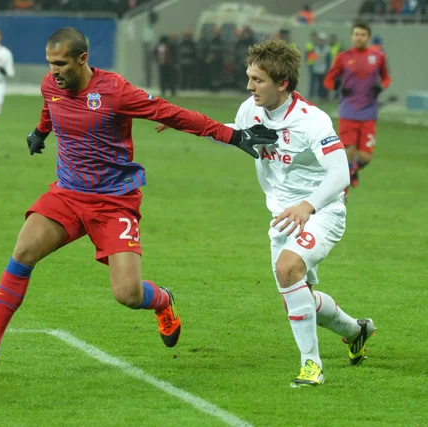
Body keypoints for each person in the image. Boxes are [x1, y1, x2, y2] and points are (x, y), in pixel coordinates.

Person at [0, 27, 278, 373]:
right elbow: (50, 108)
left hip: (114, 201)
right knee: (23, 252)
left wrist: (232, 135)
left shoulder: (115, 91)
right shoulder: (51, 85)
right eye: (50, 64)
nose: (54, 71)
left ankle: (163, 300)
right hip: (67, 194)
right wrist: (40, 132)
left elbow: (170, 113)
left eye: (61, 64)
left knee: (127, 294)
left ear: (82, 59)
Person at [156, 38, 376, 387]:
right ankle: (356, 330)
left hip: (322, 210)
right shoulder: (251, 110)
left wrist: (308, 206)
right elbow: (233, 134)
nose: (249, 86)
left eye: (257, 80)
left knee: (287, 270)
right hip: (281, 217)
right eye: (249, 77)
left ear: (282, 83)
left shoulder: (312, 121)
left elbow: (340, 174)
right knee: (300, 295)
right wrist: (187, 124)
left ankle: (312, 367)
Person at [324, 22, 391, 197]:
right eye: (356, 34)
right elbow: (329, 80)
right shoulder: (343, 57)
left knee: (366, 157)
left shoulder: (378, 57)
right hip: (348, 112)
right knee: (348, 152)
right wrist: (336, 85)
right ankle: (343, 192)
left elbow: (386, 78)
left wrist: (380, 87)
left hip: (369, 112)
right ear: (352, 36)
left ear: (368, 37)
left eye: (362, 34)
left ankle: (351, 172)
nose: (358, 37)